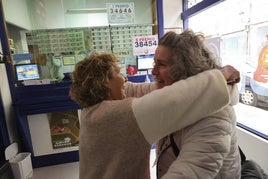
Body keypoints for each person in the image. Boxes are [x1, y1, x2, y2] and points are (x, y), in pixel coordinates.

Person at [69, 52, 237, 179]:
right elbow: (177, 98)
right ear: (104, 83)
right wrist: (223, 75)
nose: (124, 78)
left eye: (162, 64)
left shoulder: (91, 111)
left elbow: (148, 91)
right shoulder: (122, 114)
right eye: (117, 72)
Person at [151, 30, 241, 179]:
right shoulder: (178, 96)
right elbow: (137, 90)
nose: (154, 71)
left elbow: (190, 172)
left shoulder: (215, 116)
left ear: (184, 68)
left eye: (161, 64)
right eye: (155, 63)